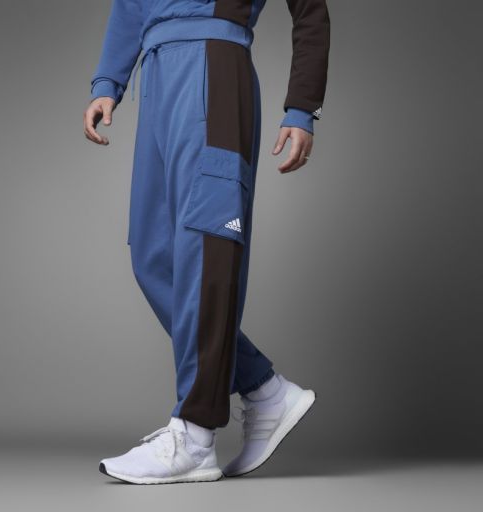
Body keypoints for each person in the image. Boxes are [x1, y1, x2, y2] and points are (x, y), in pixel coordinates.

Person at [83, 0, 330, 484]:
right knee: (154, 257)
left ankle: (195, 435)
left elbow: (311, 10)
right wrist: (108, 81)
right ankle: (264, 389)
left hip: (213, 66)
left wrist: (302, 107)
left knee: (205, 248)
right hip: (156, 75)